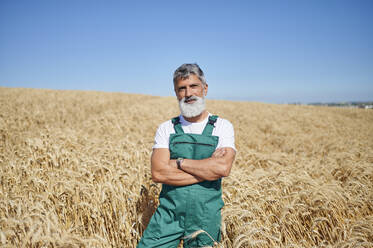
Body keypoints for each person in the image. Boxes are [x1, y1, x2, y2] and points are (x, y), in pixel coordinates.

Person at [137, 63, 236, 248]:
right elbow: (158, 174)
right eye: (181, 88)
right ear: (176, 93)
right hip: (168, 214)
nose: (188, 93)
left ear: (204, 89)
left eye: (193, 86)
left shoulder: (222, 126)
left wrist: (179, 162)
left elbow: (222, 168)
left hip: (205, 216)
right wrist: (206, 169)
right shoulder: (166, 128)